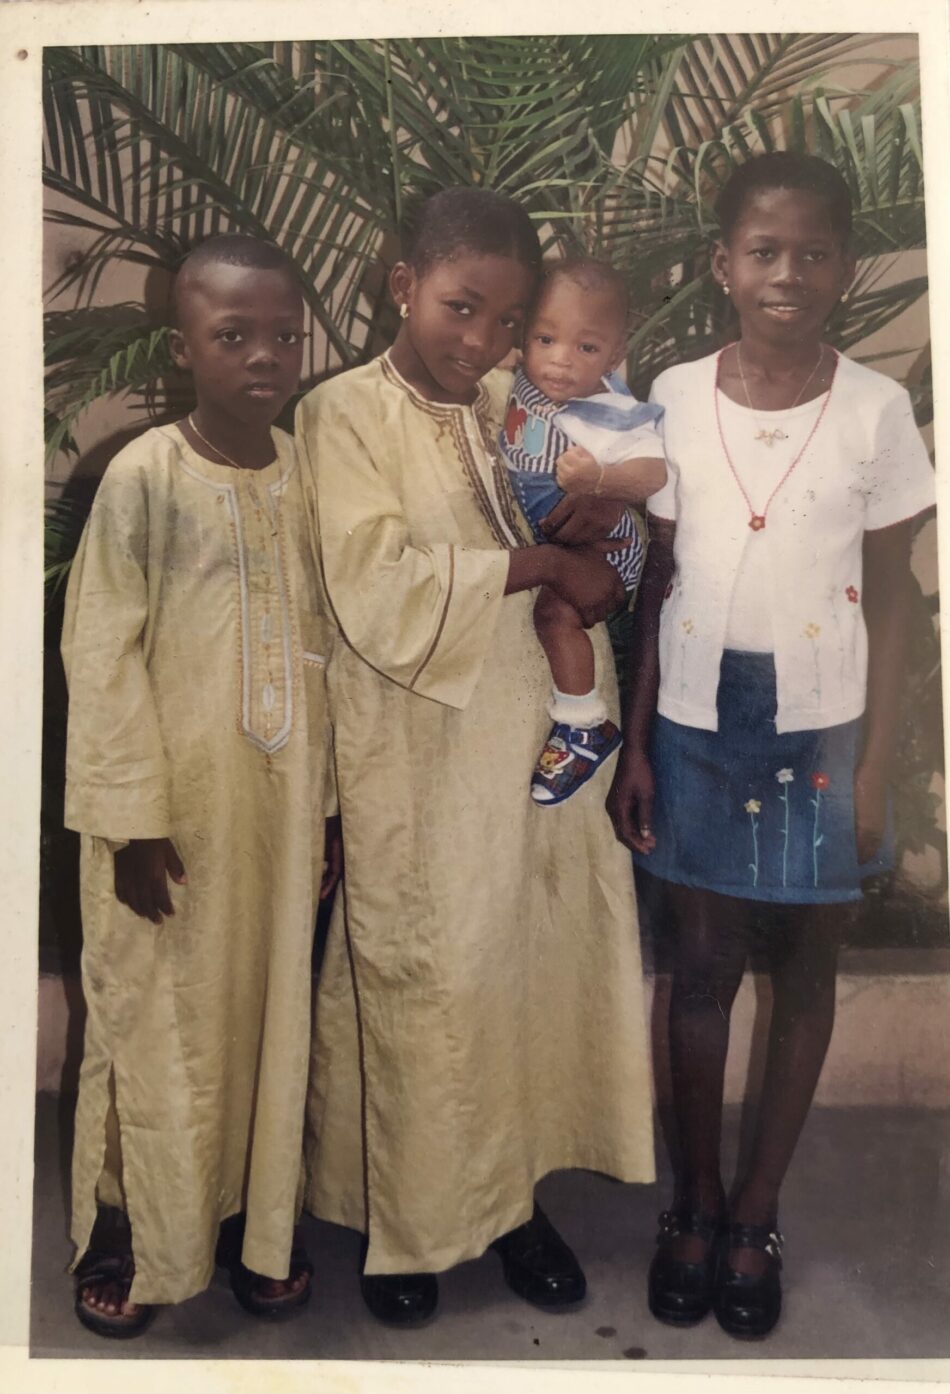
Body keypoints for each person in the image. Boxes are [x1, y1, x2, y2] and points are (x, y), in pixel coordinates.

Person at [297, 187, 655, 1327]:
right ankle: (406, 1226)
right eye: (459, 307)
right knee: (426, 979)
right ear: (397, 284)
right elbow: (375, 585)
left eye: (505, 320)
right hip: (415, 744)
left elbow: (597, 494)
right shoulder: (342, 415)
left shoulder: (515, 400)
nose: (482, 341)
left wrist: (597, 539)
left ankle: (514, 1205)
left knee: (524, 974)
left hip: (534, 735)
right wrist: (543, 572)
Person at [607, 151, 936, 1339]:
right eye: (761, 250)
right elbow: (651, 586)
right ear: (721, 265)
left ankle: (754, 1212)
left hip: (822, 724)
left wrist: (871, 761)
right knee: (697, 970)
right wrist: (636, 742)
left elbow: (895, 598)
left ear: (841, 269)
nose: (784, 272)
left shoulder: (873, 409)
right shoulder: (675, 390)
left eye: (809, 253)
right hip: (697, 717)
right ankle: (687, 1205)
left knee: (801, 967)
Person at [62, 235, 341, 1337]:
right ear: (184, 349)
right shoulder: (144, 476)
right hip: (169, 825)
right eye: (233, 336)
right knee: (158, 1022)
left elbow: (323, 645)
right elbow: (102, 653)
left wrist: (326, 814)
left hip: (278, 815)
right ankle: (133, 1229)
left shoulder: (308, 469)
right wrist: (131, 823)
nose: (264, 356)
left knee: (266, 1020)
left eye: (283, 334)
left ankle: (254, 1227)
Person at [497, 257, 667, 805]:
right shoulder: (518, 382)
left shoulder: (612, 410)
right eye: (546, 338)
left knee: (554, 614)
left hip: (607, 546)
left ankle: (582, 722)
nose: (561, 361)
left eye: (586, 349)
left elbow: (654, 473)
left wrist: (602, 479)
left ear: (615, 356)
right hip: (557, 537)